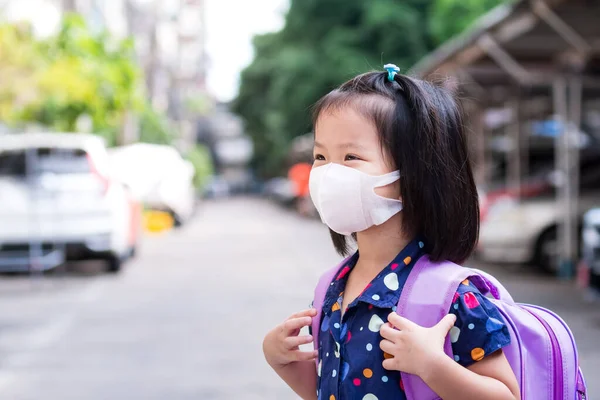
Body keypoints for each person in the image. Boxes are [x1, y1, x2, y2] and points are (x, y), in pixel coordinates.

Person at [262, 65, 521, 400]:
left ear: (413, 174)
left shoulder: (454, 294)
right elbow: (327, 391)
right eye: (321, 156)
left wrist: (431, 365)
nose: (327, 173)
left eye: (350, 156)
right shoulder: (331, 287)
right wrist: (280, 361)